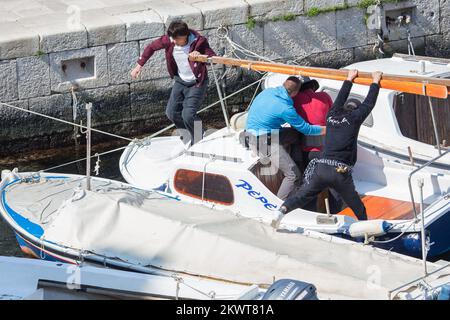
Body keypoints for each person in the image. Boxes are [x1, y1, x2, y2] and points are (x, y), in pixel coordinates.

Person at [278, 70, 383, 221]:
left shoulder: (331, 115)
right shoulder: (353, 118)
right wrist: (375, 81)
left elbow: (341, 97)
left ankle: (284, 210)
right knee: (353, 203)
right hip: (339, 170)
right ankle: (354, 222)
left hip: (319, 164)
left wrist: (349, 78)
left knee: (304, 194)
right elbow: (369, 102)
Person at [131, 20, 216, 145]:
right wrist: (139, 66)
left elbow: (212, 57)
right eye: (172, 38)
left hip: (196, 83)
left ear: (185, 36)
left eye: (177, 39)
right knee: (171, 113)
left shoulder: (199, 41)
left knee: (188, 114)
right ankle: (187, 134)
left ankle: (198, 137)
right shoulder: (169, 40)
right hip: (180, 81)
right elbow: (151, 47)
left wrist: (200, 55)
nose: (174, 41)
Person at [245, 76, 326, 201]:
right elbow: (307, 129)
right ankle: (279, 206)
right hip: (263, 142)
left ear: (283, 84)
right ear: (295, 93)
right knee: (293, 175)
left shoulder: (268, 92)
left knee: (295, 134)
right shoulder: (285, 108)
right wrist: (326, 129)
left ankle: (297, 163)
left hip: (253, 133)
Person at [292, 77, 341, 213]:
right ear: (312, 87)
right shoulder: (324, 96)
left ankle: (310, 213)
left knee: (310, 182)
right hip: (329, 145)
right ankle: (337, 212)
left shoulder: (295, 100)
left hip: (310, 148)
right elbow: (333, 114)